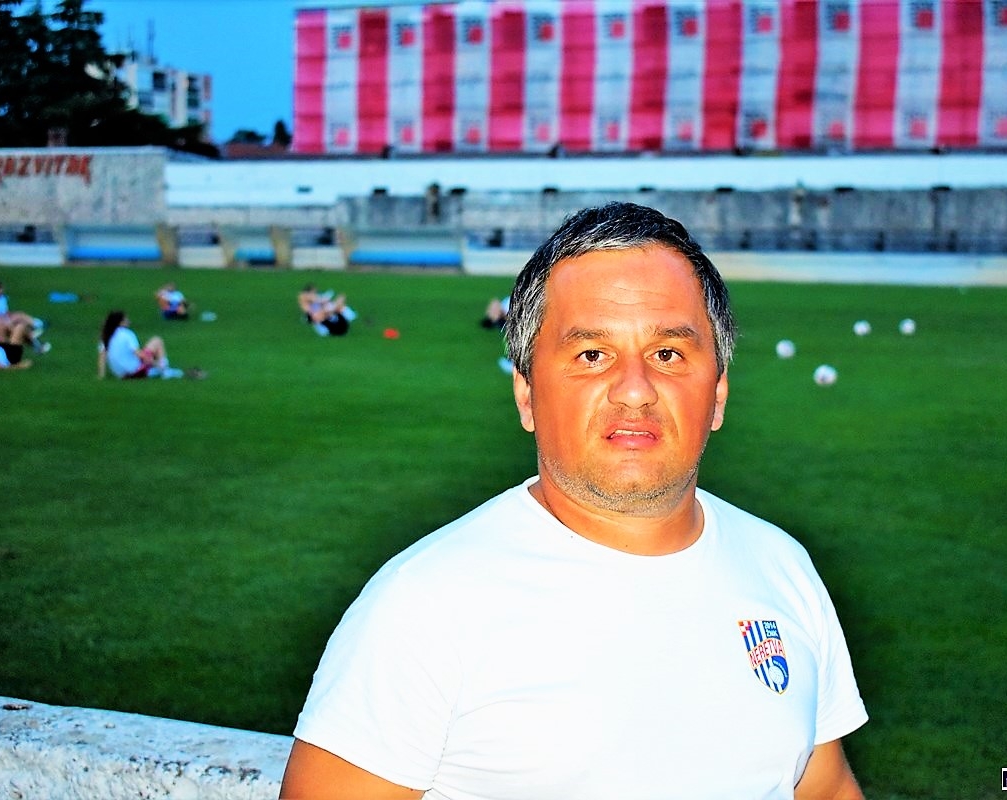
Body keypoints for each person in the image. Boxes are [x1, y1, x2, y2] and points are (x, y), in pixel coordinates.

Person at [281, 203, 868, 799]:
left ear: (717, 394)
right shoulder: (422, 607)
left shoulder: (781, 566)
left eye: (667, 354)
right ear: (527, 395)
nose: (635, 390)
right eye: (592, 355)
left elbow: (826, 789)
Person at [98, 310, 203, 380]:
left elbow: (102, 356)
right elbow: (139, 354)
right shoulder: (127, 334)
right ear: (120, 322)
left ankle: (164, 370)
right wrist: (157, 364)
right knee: (157, 341)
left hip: (119, 374)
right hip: (133, 371)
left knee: (151, 348)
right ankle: (166, 371)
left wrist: (101, 375)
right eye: (126, 319)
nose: (129, 321)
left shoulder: (107, 335)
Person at [0, 279, 50, 353]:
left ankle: (38, 325)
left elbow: (5, 313)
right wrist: (8, 322)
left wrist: (12, 317)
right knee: (20, 330)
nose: (3, 290)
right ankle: (36, 344)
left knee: (19, 316)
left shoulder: (2, 298)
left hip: (3, 321)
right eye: (1, 288)